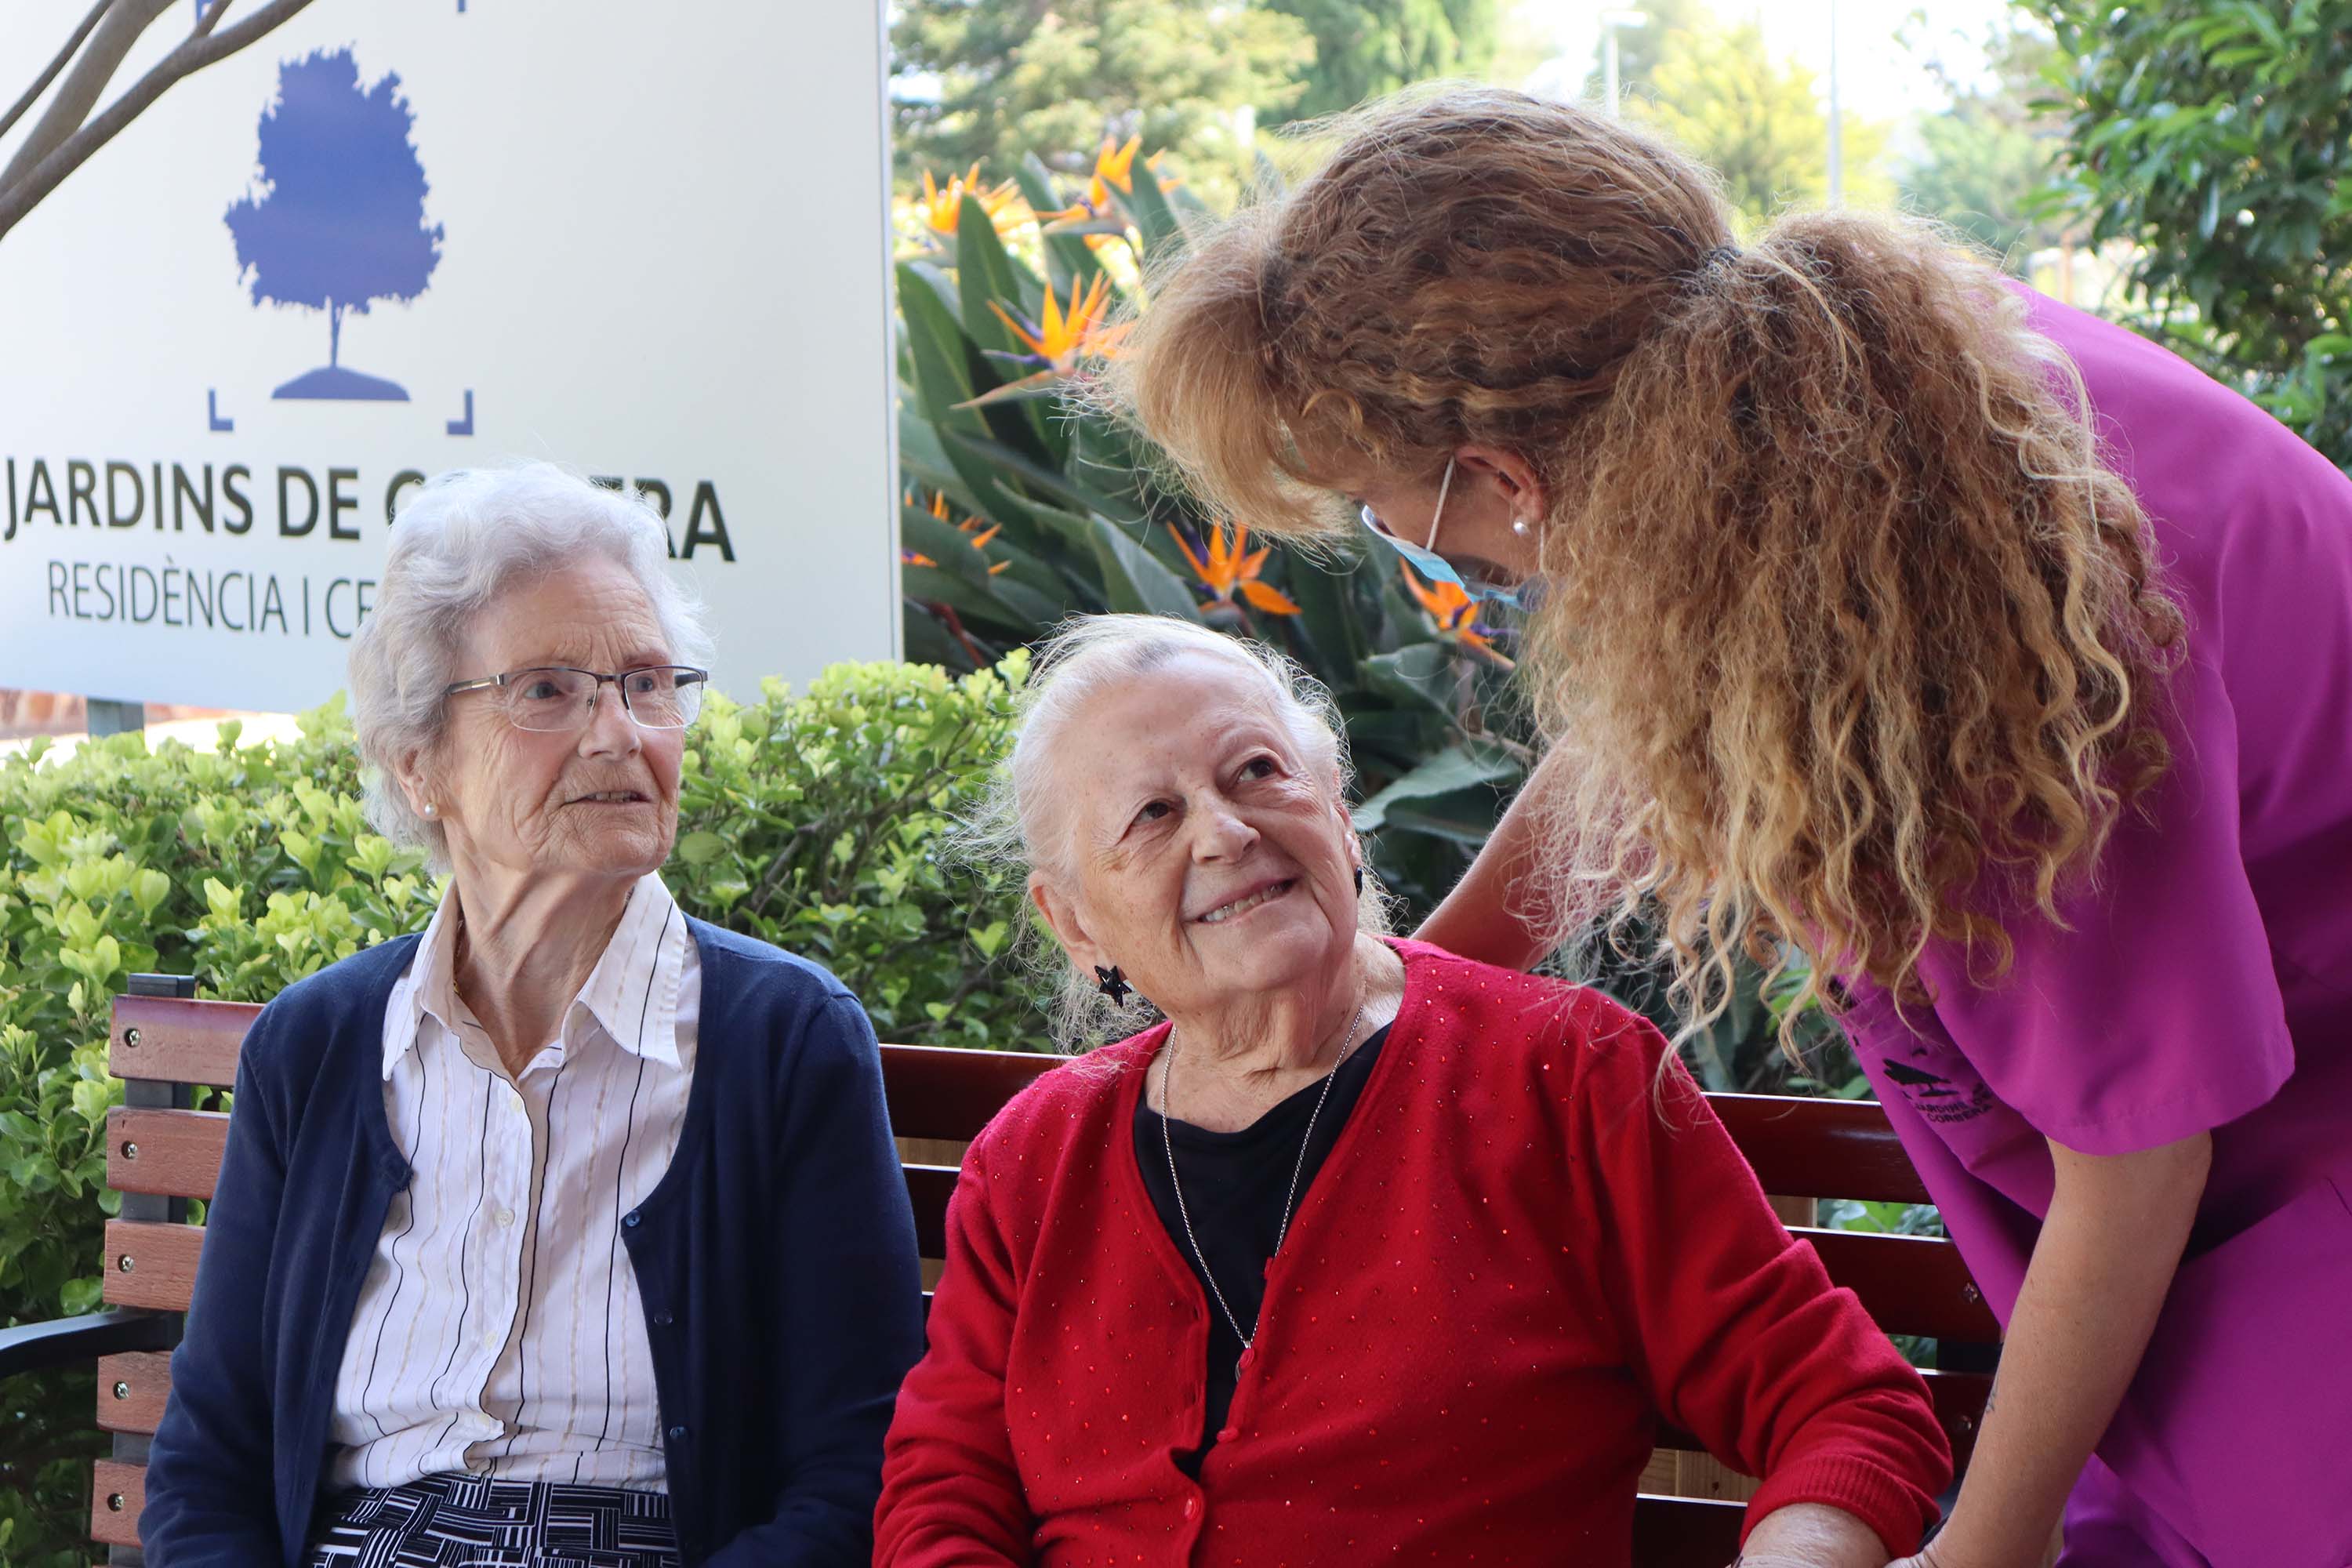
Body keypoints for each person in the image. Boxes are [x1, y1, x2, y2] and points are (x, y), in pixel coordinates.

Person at [1108, 85, 2352, 1568]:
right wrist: (1416, 992)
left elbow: (2140, 1157)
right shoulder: (1854, 390)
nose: (1420, 555)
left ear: (1507, 481)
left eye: (1395, 517)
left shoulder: (1971, 620)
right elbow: (1664, 705)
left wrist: (1976, 1550)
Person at [873, 613, 1950, 1567]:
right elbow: (944, 1499)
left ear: (1339, 814)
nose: (1226, 830)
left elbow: (1847, 1409)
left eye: (1256, 772)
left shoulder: (1562, 1079)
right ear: (1075, 923)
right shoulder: (1034, 1161)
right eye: (1153, 815)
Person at [142, 464, 924, 1568]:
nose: (622, 734)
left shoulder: (781, 1043)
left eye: (647, 684)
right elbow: (209, 1462)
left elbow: (857, 1467)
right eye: (550, 691)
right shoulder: (316, 1047)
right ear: (422, 765)